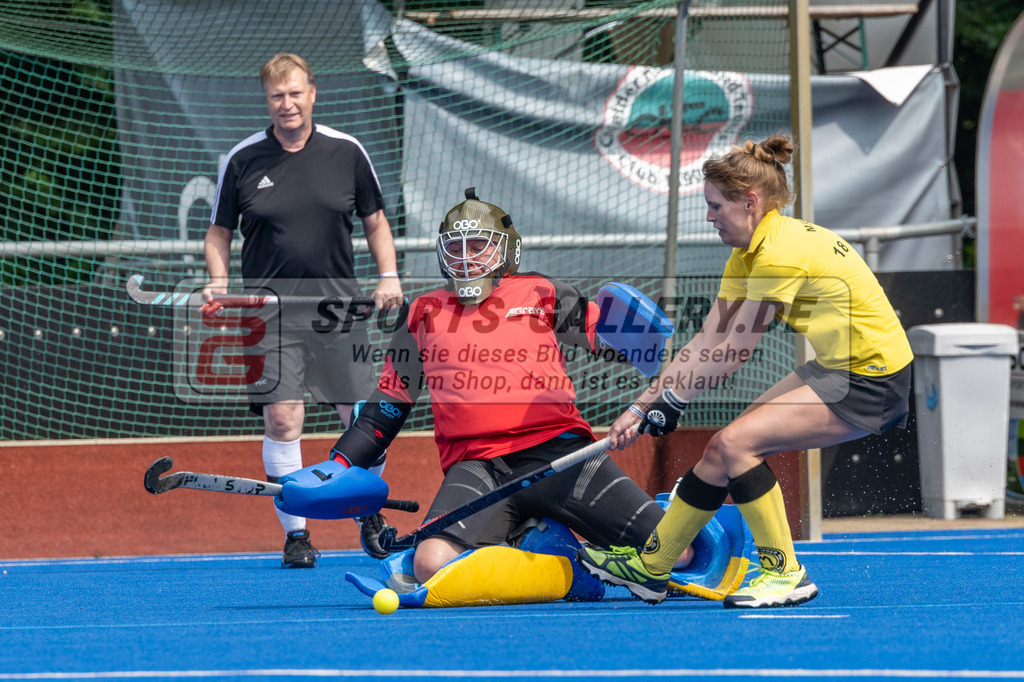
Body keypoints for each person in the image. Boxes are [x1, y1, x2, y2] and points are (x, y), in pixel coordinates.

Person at [578, 135, 914, 608]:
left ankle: (785, 574)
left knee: (739, 443)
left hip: (872, 378)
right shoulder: (747, 254)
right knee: (722, 448)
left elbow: (736, 350)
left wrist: (675, 400)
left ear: (750, 202)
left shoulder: (780, 252)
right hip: (837, 366)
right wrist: (642, 406)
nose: (709, 216)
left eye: (716, 206)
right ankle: (652, 566)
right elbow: (706, 341)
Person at [294, 188, 676, 592]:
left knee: (676, 552)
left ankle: (550, 544)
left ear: (507, 251)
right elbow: (388, 406)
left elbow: (607, 341)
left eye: (478, 246)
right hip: (477, 466)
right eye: (454, 247)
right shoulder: (421, 312)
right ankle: (562, 565)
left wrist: (637, 338)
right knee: (430, 564)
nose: (466, 257)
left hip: (562, 455)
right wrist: (337, 465)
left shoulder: (541, 290)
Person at [202, 53, 404, 568]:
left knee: (364, 422)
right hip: (270, 316)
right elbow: (219, 233)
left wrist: (388, 275)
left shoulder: (347, 151)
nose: (287, 104)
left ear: (313, 94)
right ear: (266, 101)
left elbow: (376, 221)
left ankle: (366, 513)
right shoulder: (243, 159)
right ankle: (297, 536)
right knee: (282, 418)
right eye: (277, 96)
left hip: (340, 312)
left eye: (295, 93)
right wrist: (219, 282)